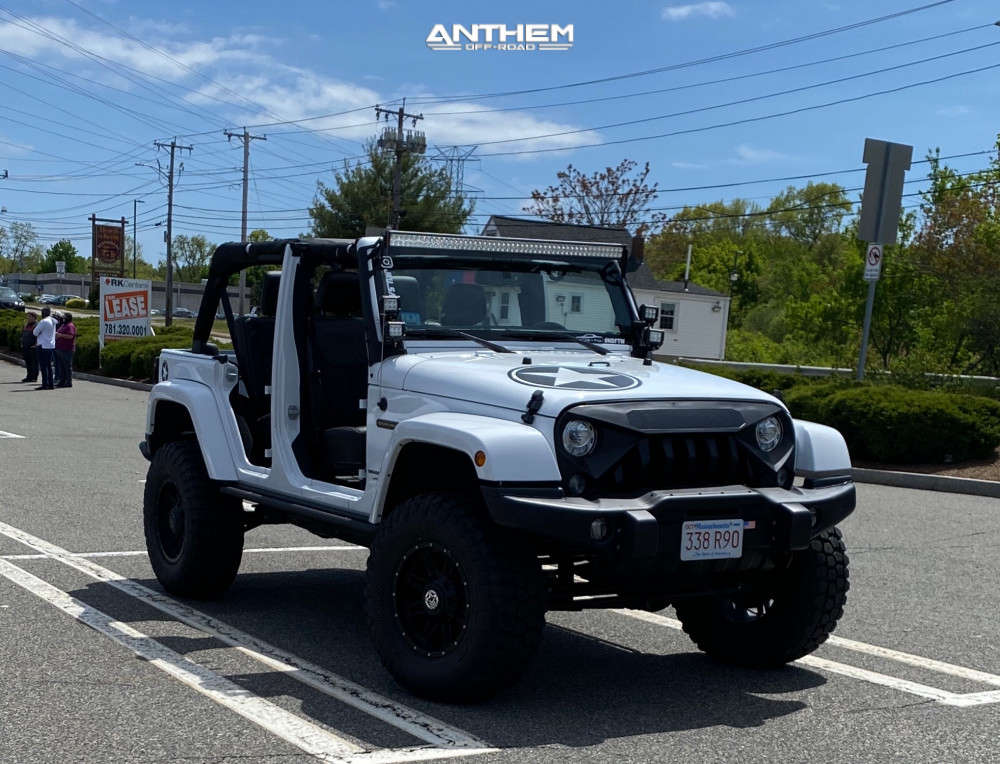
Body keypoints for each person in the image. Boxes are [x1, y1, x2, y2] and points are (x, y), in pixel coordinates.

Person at [32, 307, 57, 390]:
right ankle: (50, 384)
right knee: (49, 366)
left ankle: (45, 384)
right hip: (50, 345)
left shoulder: (44, 321)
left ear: (44, 313)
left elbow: (35, 332)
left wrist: (40, 332)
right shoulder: (53, 321)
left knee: (43, 366)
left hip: (43, 345)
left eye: (42, 312)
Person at [54, 311, 77, 388]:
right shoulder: (63, 325)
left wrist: (60, 335)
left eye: (64, 317)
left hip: (67, 349)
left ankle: (68, 382)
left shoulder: (70, 326)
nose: (63, 318)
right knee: (61, 366)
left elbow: (70, 336)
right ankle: (62, 381)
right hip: (60, 348)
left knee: (67, 367)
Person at [20, 311, 39, 383]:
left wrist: (36, 344)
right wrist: (22, 342)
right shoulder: (26, 324)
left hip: (32, 347)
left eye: (30, 317)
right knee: (28, 363)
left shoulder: (37, 325)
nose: (28, 318)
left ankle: (34, 377)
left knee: (34, 363)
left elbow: (38, 335)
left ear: (34, 318)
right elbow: (22, 334)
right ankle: (29, 376)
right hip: (25, 347)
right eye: (28, 316)